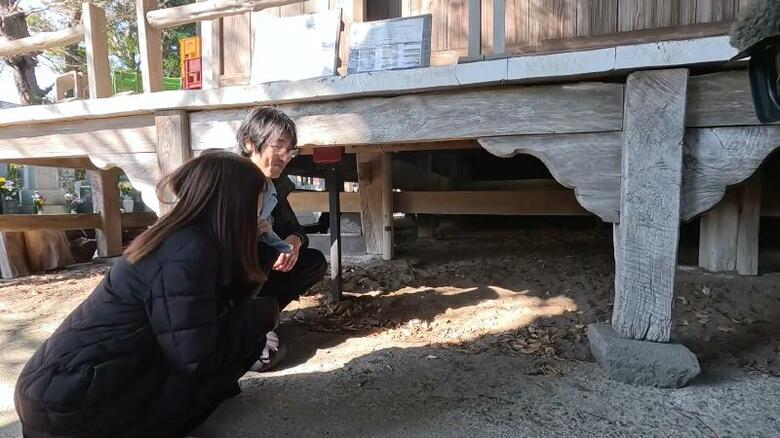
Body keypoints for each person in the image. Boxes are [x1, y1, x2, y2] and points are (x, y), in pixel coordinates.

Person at [14, 151, 278, 438]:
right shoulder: (188, 251)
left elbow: (223, 303)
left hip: (58, 391)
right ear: (235, 200)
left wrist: (258, 244)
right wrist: (264, 314)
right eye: (257, 195)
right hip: (73, 404)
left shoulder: (186, 238)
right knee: (249, 328)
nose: (260, 205)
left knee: (244, 325)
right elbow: (195, 357)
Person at [235, 106, 327, 372]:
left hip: (260, 273)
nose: (286, 157)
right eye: (279, 146)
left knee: (313, 262)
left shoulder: (273, 186)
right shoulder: (230, 181)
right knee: (260, 251)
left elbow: (295, 229)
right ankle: (247, 327)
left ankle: (264, 320)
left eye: (291, 150)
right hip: (232, 280)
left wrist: (293, 243)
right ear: (249, 143)